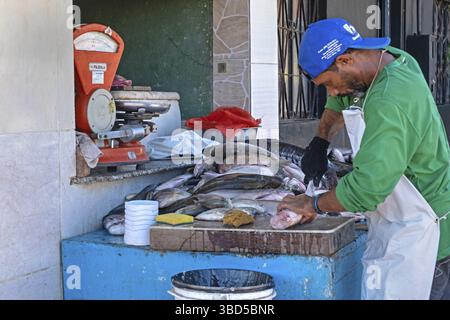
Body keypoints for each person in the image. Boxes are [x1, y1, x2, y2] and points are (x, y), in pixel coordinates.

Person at [277, 18, 450, 300]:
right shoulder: (386, 60)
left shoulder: (390, 102)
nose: (330, 93)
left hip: (424, 235)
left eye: (328, 84)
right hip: (397, 216)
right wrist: (320, 141)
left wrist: (311, 204)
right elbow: (340, 99)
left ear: (344, 59)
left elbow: (366, 190)